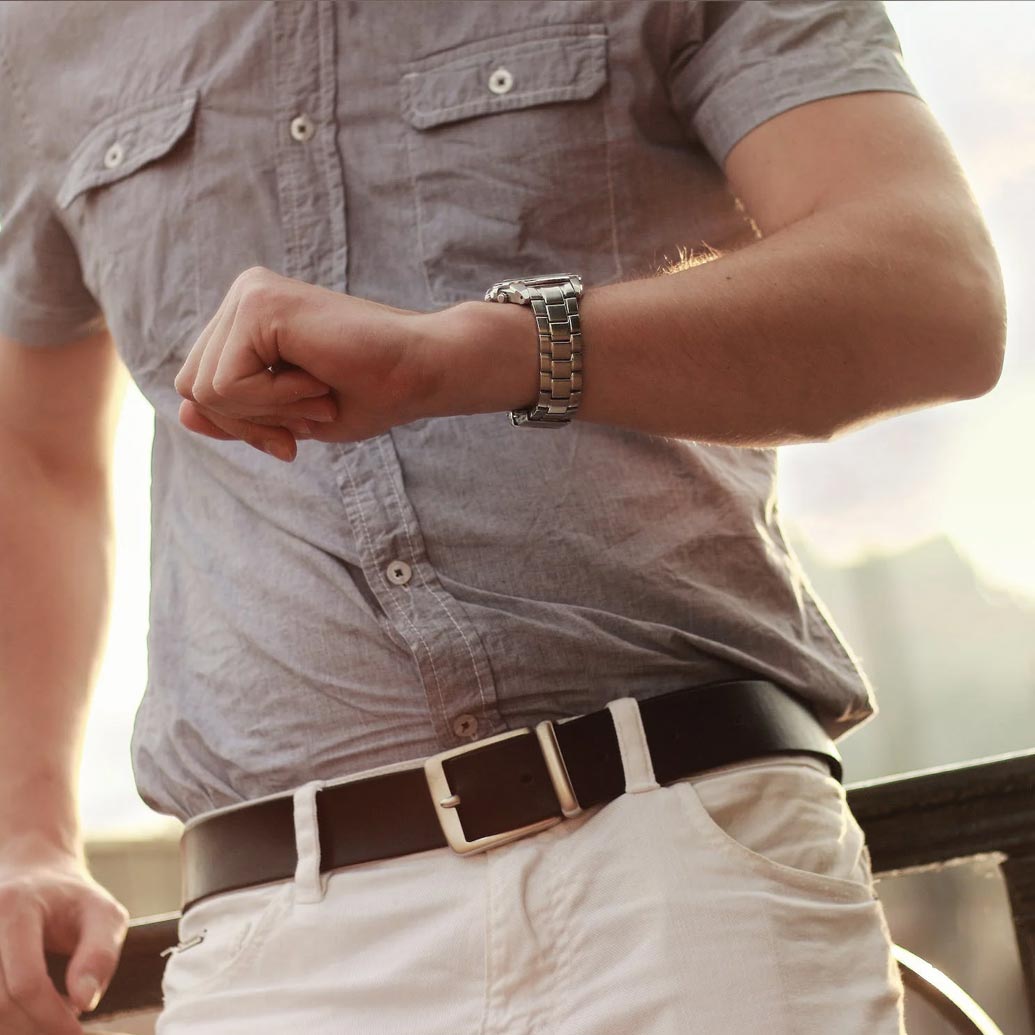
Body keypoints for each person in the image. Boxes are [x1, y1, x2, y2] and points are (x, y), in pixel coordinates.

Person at [0, 0, 1006, 1032]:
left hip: (680, 881)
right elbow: (33, 452)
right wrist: (28, 835)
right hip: (278, 947)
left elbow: (934, 294)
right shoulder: (44, 35)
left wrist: (475, 355)